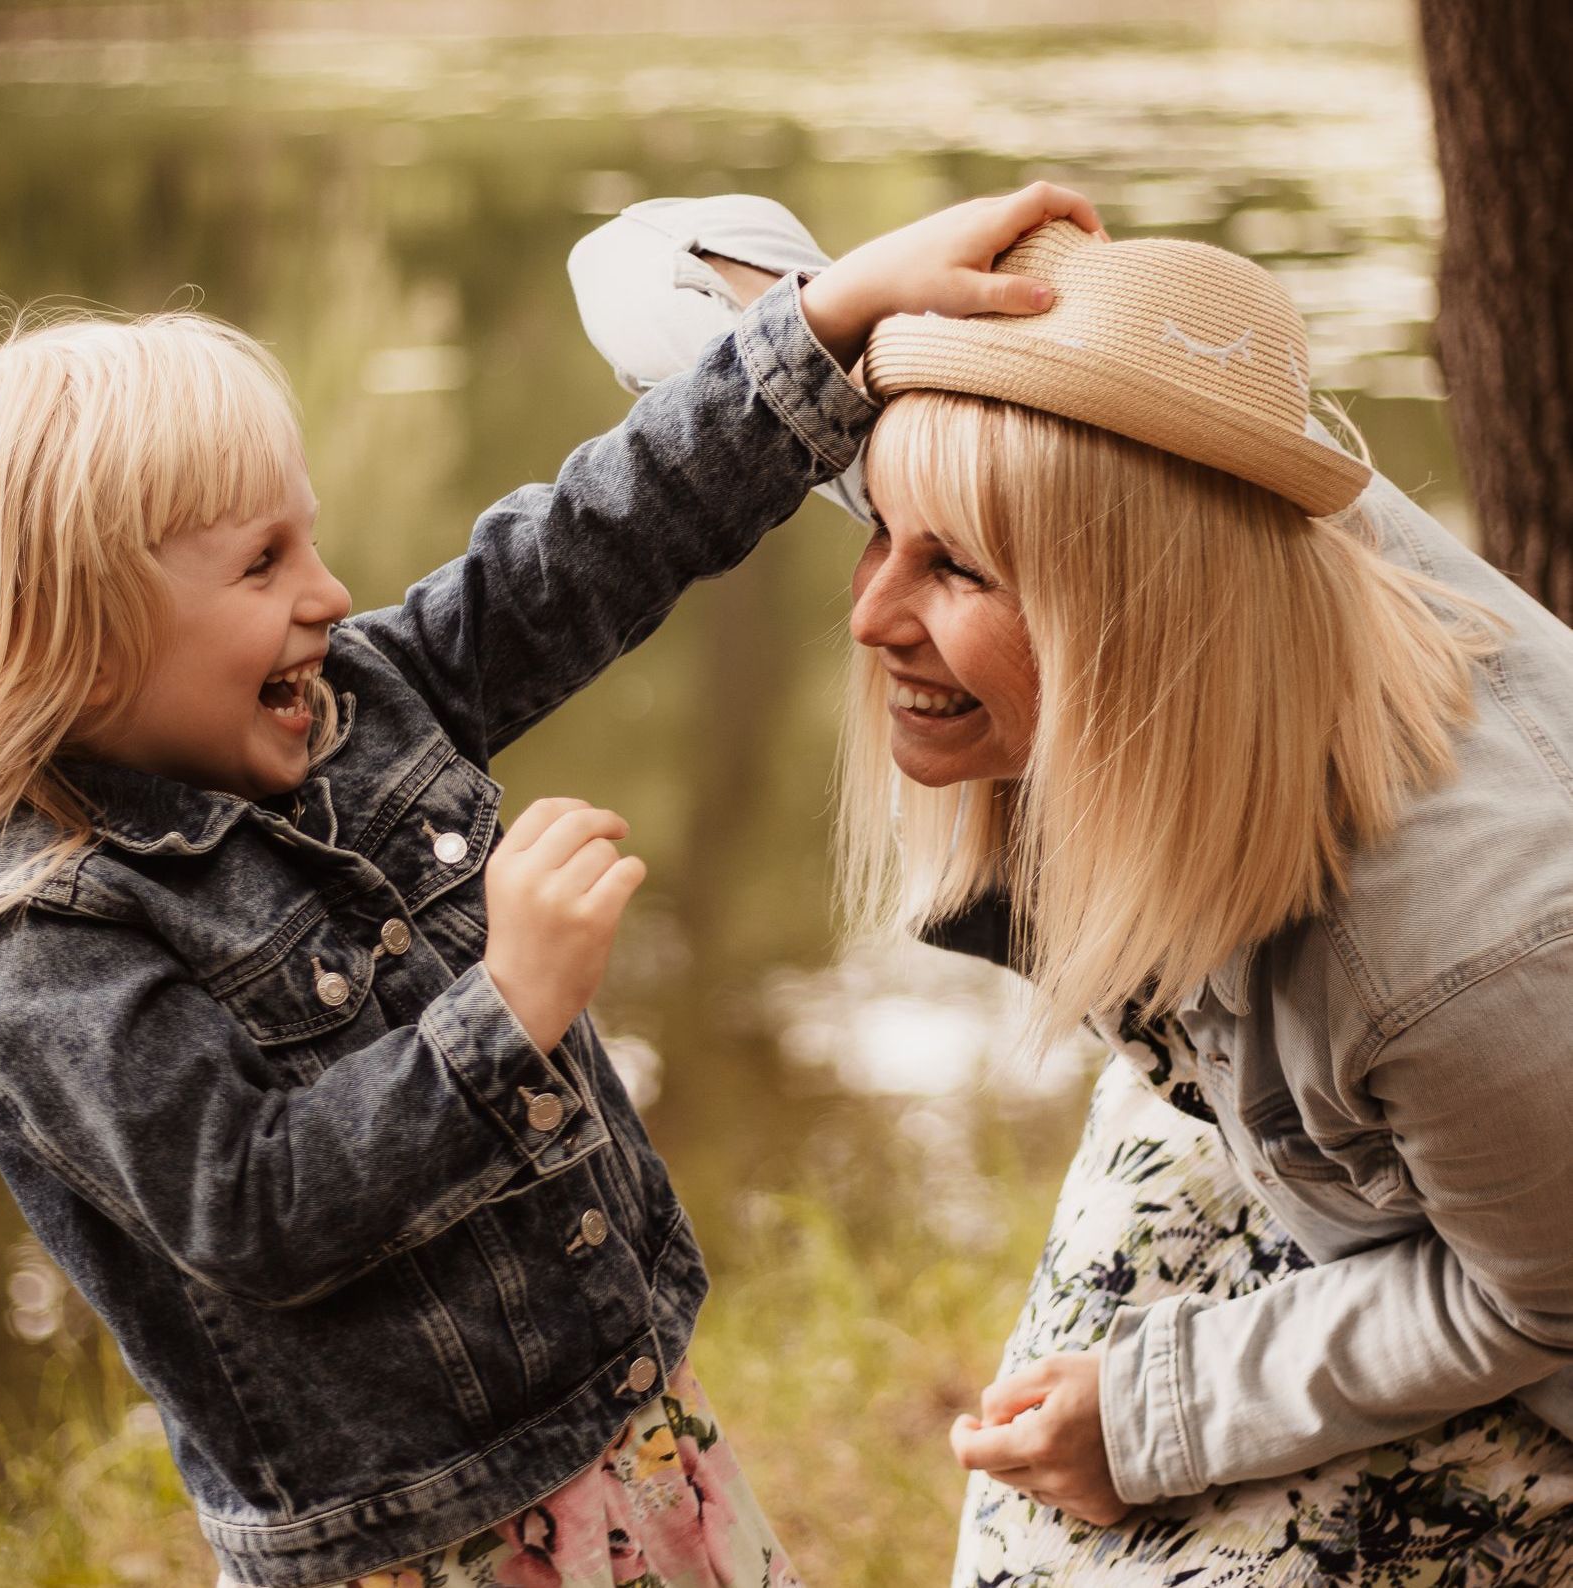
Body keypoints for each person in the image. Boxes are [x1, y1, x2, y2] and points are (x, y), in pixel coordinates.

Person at [0, 181, 1105, 1588]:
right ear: (84, 646)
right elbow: (254, 1209)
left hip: (627, 1434)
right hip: (424, 1547)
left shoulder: (354, 702)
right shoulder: (50, 945)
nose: (329, 595)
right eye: (263, 563)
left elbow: (584, 548)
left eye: (310, 537)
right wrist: (501, 1011)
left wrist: (825, 322)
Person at [570, 197, 1573, 1582]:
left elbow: (1544, 1301)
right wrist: (840, 301)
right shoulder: (1105, 471)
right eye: (886, 533)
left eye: (950, 570)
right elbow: (628, 268)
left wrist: (1171, 1412)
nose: (868, 615)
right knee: (1030, 1521)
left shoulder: (1471, 955)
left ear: (1138, 627)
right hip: (1279, 1105)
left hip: (1523, 1289)